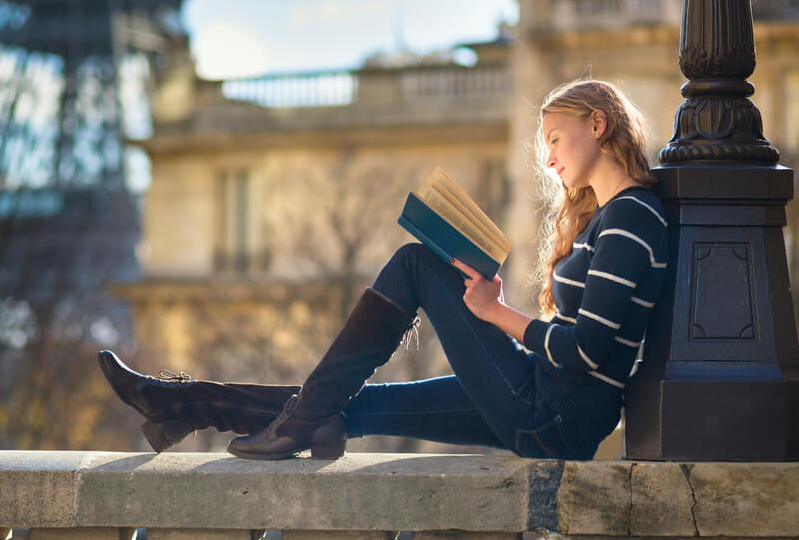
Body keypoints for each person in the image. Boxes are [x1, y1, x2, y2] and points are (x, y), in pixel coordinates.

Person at [99, 78, 668, 460]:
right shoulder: (613, 218)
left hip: (553, 415)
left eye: (553, 138)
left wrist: (497, 314)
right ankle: (183, 406)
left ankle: (234, 414)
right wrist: (492, 308)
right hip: (542, 399)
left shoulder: (630, 218)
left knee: (418, 262)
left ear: (597, 124)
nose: (548, 157)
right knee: (348, 408)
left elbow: (587, 350)